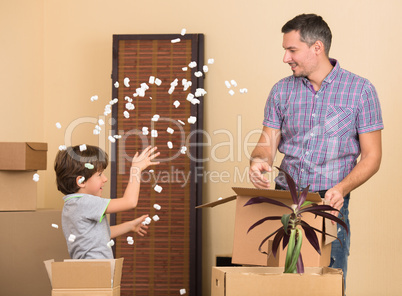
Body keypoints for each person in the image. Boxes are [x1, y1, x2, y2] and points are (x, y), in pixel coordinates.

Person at [249, 13, 383, 288]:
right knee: (279, 284)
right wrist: (259, 161)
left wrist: (342, 189)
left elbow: (372, 156)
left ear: (317, 48)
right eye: (285, 50)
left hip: (330, 204)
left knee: (327, 283)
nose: (286, 58)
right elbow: (267, 143)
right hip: (283, 201)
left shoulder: (360, 91)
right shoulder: (281, 91)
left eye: (292, 50)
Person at [54, 144, 159, 259]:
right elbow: (130, 202)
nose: (105, 179)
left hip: (90, 269)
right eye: (99, 174)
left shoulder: (71, 205)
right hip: (96, 269)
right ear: (81, 181)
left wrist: (130, 226)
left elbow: (100, 235)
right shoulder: (84, 202)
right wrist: (136, 170)